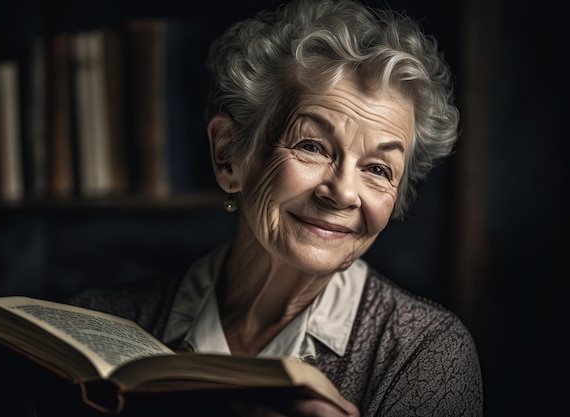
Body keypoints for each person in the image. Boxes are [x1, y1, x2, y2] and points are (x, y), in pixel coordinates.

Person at [67, 0, 483, 415]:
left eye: (377, 168)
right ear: (229, 155)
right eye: (312, 146)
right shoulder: (98, 321)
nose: (342, 193)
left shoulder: (424, 354)